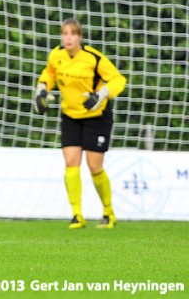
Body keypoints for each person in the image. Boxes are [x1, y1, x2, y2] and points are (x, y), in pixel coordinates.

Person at [33, 18, 126, 229]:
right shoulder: (56, 55)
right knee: (71, 163)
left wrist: (101, 94)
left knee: (94, 166)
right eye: (65, 33)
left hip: (96, 116)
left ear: (79, 37)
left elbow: (118, 80)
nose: (68, 38)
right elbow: (49, 74)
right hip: (70, 115)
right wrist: (41, 89)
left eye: (72, 34)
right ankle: (77, 215)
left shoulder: (93, 57)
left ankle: (108, 212)